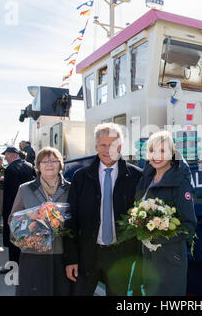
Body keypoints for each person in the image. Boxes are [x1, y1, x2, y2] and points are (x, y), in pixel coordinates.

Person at [64, 123, 143, 296]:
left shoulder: (137, 176)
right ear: (96, 147)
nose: (108, 150)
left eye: (113, 145)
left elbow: (142, 221)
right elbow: (70, 219)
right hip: (87, 255)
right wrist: (71, 258)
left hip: (121, 256)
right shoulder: (81, 177)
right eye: (103, 145)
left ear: (120, 147)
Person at [134, 131, 197, 295]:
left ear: (171, 153)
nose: (157, 156)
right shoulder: (146, 179)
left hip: (170, 260)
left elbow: (189, 225)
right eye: (152, 150)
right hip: (148, 258)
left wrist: (159, 238)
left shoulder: (180, 183)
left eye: (162, 151)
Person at [9, 147, 72, 295]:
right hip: (33, 254)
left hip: (61, 253)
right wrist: (32, 226)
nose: (49, 164)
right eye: (44, 161)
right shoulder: (25, 189)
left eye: (53, 161)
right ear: (38, 166)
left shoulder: (71, 188)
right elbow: (13, 219)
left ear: (60, 164)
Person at [0, 147, 35, 274]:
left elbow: (10, 192)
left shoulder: (11, 169)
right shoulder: (29, 165)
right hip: (29, 206)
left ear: (12, 155)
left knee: (13, 239)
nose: (5, 159)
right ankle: (24, 266)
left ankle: (13, 268)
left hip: (14, 207)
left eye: (6, 156)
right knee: (24, 237)